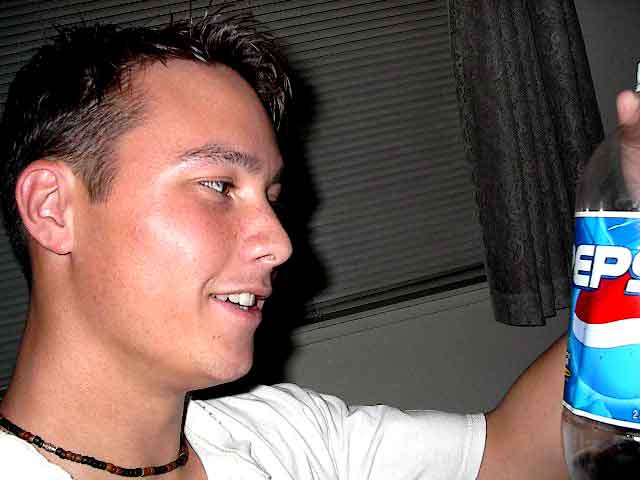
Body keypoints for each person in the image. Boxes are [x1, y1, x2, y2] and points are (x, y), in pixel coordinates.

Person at [0, 13, 633, 480]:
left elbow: (508, 458)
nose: (280, 243)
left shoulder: (283, 436)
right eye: (218, 185)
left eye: (271, 197)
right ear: (54, 209)